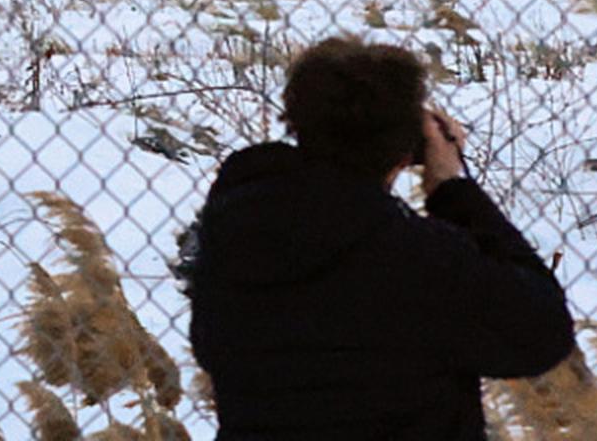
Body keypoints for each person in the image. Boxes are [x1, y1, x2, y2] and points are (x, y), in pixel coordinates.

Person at [185, 37, 575, 440]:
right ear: (409, 149)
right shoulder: (417, 260)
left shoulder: (236, 234)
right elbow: (543, 333)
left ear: (297, 122)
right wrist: (450, 190)